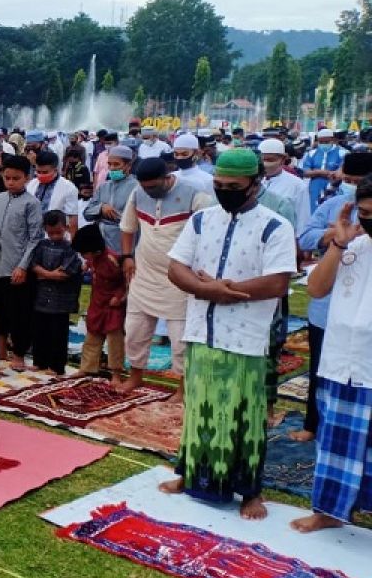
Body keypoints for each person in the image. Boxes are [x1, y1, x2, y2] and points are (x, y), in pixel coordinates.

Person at [160, 148, 297, 521]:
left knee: (246, 417)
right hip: (203, 329)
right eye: (219, 185)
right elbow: (177, 268)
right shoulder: (202, 220)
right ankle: (189, 475)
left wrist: (224, 288)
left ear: (255, 184)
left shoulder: (274, 226)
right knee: (201, 411)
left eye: (233, 186)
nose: (224, 191)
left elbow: (278, 281)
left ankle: (249, 492)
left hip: (248, 337)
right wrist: (209, 291)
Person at [290, 180, 372, 534]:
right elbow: (316, 288)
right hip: (342, 360)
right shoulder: (353, 246)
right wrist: (338, 243)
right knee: (336, 442)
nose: (368, 220)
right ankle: (329, 511)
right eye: (365, 213)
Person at [292, 151, 372, 442]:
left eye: (357, 180)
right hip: (328, 311)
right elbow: (306, 238)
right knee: (322, 371)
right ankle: (313, 424)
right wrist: (334, 238)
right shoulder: (335, 207)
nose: (351, 185)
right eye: (347, 180)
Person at [118, 157, 213, 396]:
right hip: (144, 274)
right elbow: (128, 227)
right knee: (134, 331)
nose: (148, 191)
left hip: (180, 279)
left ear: (167, 176)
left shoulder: (195, 195)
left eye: (153, 186)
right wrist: (127, 256)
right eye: (144, 185)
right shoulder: (138, 193)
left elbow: (209, 235)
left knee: (180, 340)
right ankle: (136, 376)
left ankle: (182, 388)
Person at [0, 154, 44, 369]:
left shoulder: (32, 203)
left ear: (27, 178)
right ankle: (0, 348)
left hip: (18, 266)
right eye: (7, 178)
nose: (11, 182)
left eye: (16, 178)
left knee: (19, 312)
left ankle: (19, 353)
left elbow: (35, 237)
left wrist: (23, 265)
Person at [29, 210, 83, 375]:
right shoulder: (41, 245)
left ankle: (57, 365)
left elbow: (64, 273)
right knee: (40, 330)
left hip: (61, 299)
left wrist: (43, 274)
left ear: (66, 228)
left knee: (58, 333)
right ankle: (39, 361)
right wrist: (50, 274)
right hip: (42, 297)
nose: (54, 236)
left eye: (58, 232)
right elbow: (33, 265)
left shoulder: (71, 248)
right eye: (50, 233)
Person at [73, 223, 126, 385]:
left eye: (84, 254)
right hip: (97, 302)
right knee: (92, 335)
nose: (84, 256)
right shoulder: (93, 260)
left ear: (94, 250)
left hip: (113, 304)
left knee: (114, 339)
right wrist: (85, 265)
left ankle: (116, 373)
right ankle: (86, 367)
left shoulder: (112, 261)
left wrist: (119, 297)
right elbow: (91, 265)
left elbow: (126, 282)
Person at [83, 145, 138, 254]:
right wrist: (101, 208)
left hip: (123, 243)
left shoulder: (136, 188)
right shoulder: (103, 187)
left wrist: (114, 216)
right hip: (100, 245)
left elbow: (136, 221)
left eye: (116, 164)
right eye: (109, 164)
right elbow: (87, 214)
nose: (112, 168)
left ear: (128, 165)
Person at [27, 149, 79, 235]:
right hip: (31, 234)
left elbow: (72, 219)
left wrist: (72, 245)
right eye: (38, 172)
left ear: (55, 170)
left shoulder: (69, 188)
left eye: (45, 172)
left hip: (56, 237)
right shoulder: (32, 184)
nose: (41, 175)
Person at [300, 128, 345, 211]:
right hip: (315, 188)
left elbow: (340, 174)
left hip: (335, 188)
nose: (324, 144)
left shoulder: (342, 153)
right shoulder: (312, 153)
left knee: (333, 210)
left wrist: (316, 172)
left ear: (333, 140)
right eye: (321, 142)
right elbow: (305, 172)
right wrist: (322, 172)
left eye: (326, 142)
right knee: (313, 210)